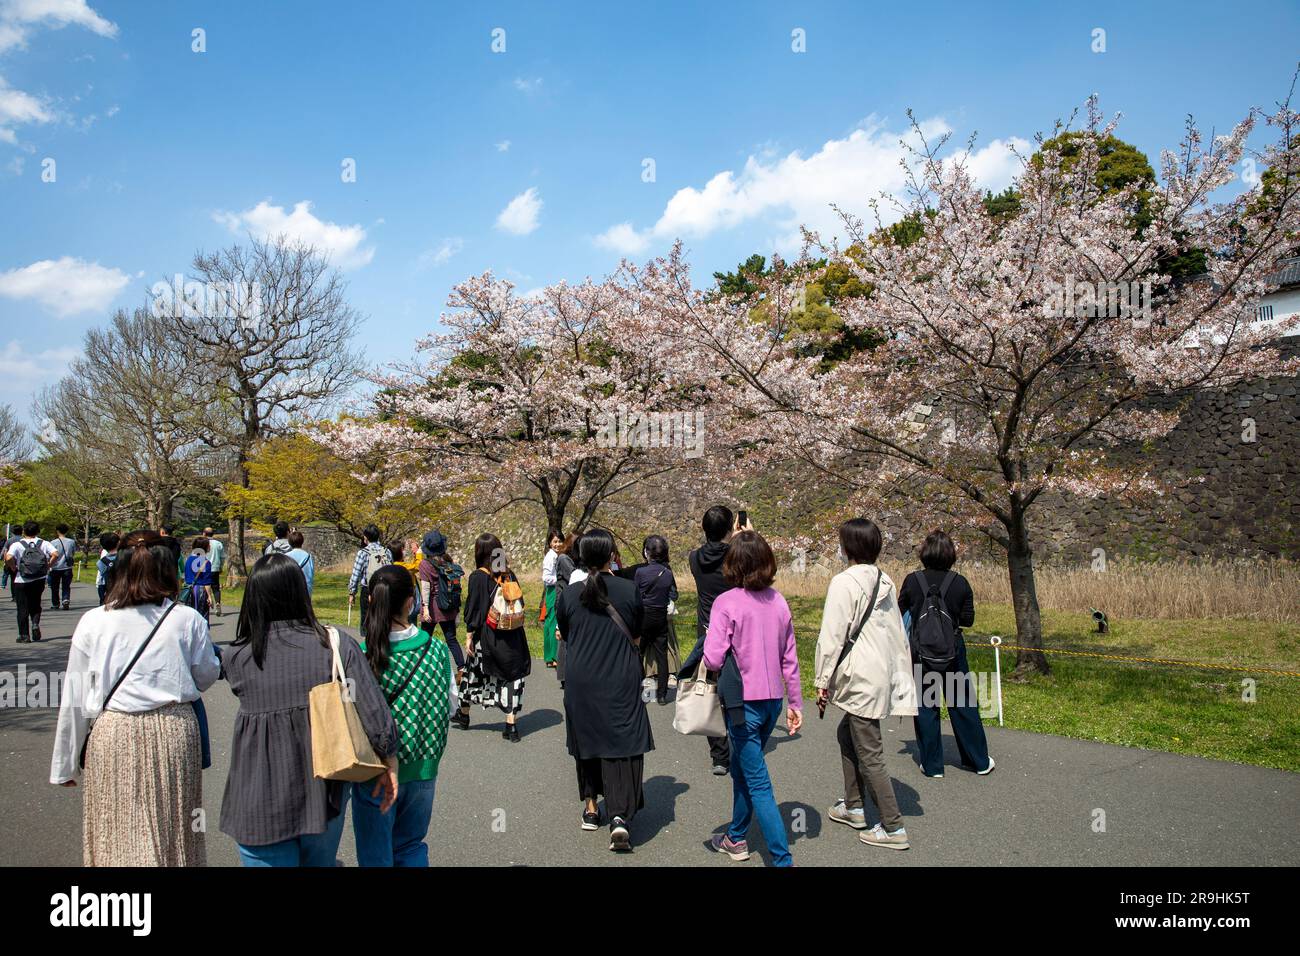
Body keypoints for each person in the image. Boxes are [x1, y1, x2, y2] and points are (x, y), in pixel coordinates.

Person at [50, 530, 220, 865]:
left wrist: (65, 764)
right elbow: (206, 675)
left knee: (117, 828)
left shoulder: (94, 621)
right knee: (173, 828)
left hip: (114, 732)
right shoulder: (187, 619)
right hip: (174, 731)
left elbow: (76, 695)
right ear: (168, 569)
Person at [220, 553, 399, 867]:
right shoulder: (336, 645)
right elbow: (375, 716)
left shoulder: (237, 657)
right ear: (301, 593)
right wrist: (389, 760)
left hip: (257, 798)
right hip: (321, 794)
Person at [814, 518, 918, 851]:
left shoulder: (844, 583)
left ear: (848, 548)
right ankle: (854, 805)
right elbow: (897, 634)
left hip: (861, 677)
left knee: (870, 752)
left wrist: (821, 681)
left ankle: (893, 826)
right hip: (879, 673)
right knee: (847, 733)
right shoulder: (884, 579)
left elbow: (831, 636)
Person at [702, 530, 803, 867]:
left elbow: (713, 659)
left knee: (758, 783)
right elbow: (790, 658)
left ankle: (781, 859)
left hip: (742, 704)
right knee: (745, 771)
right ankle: (736, 837)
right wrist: (796, 704)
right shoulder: (779, 601)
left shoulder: (726, 602)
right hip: (773, 700)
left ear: (733, 564)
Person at [556, 528, 653, 851]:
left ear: (581, 558)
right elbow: (639, 631)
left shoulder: (568, 595)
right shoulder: (629, 590)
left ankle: (591, 807)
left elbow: (567, 633)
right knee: (623, 742)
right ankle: (620, 816)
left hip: (581, 678)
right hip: (620, 676)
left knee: (586, 739)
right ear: (613, 555)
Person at [353, 566, 457, 866]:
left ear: (371, 599)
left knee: (376, 853)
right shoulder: (435, 649)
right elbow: (450, 704)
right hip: (424, 765)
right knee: (411, 846)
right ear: (411, 601)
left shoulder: (363, 654)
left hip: (375, 768)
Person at [898, 529, 994, 779]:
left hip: (922, 652)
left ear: (924, 553)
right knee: (962, 705)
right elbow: (968, 620)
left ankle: (932, 766)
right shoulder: (959, 582)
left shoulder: (912, 580)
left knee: (927, 707)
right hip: (952, 652)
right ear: (951, 555)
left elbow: (900, 613)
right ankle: (979, 761)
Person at [678, 505, 743, 775]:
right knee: (738, 688)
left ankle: (719, 755)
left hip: (706, 631)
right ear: (730, 529)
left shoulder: (695, 558)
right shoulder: (736, 557)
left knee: (710, 688)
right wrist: (743, 538)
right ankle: (741, 746)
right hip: (736, 631)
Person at [460, 533, 530, 741]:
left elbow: (475, 610)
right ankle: (511, 725)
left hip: (488, 637)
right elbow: (521, 603)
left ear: (479, 553)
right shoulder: (509, 575)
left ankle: (464, 715)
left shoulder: (478, 577)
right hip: (513, 636)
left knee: (473, 673)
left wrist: (469, 634)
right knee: (512, 678)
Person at [633, 535, 677, 705]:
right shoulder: (667, 573)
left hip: (644, 616)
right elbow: (673, 594)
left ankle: (640, 689)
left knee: (638, 653)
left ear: (647, 552)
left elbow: (635, 596)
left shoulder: (641, 572)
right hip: (660, 618)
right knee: (662, 656)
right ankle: (662, 694)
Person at [417, 530, 466, 680]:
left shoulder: (425, 564)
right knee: (451, 639)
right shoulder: (447, 561)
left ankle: (421, 668)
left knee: (424, 638)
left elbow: (425, 588)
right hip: (448, 606)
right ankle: (462, 669)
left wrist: (425, 608)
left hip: (432, 606)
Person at [5, 520, 56, 643]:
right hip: (38, 579)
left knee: (22, 607)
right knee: (36, 604)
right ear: (38, 531)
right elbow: (55, 554)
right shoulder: (44, 543)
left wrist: (13, 567)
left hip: (21, 579)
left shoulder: (17, 544)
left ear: (24, 531)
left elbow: (8, 557)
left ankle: (24, 635)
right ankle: (35, 623)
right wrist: (48, 565)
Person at [348, 525, 392, 638]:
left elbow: (356, 574)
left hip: (368, 590)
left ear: (366, 537)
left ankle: (368, 648)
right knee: (382, 619)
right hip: (385, 589)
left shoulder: (363, 553)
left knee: (367, 620)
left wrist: (352, 592)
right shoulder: (387, 551)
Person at [541, 528, 564, 669]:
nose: (557, 544)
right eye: (555, 541)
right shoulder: (551, 557)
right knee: (553, 621)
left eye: (560, 541)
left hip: (554, 589)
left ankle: (550, 657)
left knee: (550, 622)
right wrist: (560, 579)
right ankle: (552, 656)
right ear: (550, 543)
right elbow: (546, 578)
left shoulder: (557, 555)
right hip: (553, 590)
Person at [181, 537, 215, 622]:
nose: (210, 546)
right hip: (199, 591)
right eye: (208, 545)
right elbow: (206, 582)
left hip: (188, 589)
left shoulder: (188, 559)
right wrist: (210, 596)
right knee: (201, 616)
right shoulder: (206, 562)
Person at [48, 524, 76, 611]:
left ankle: (55, 603)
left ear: (57, 531)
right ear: (67, 531)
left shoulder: (53, 542)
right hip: (67, 567)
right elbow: (73, 553)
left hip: (55, 567)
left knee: (54, 587)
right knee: (66, 585)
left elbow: (51, 554)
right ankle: (65, 599)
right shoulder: (71, 542)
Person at [286, 529, 315, 596]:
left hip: (291, 591)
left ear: (289, 542)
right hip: (306, 590)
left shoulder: (286, 556)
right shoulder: (308, 556)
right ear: (302, 541)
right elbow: (311, 574)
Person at [203, 526, 225, 614]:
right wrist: (221, 567)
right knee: (216, 588)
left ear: (204, 533)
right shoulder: (218, 544)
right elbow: (222, 557)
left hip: (204, 568)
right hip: (215, 567)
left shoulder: (202, 543)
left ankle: (206, 604)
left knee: (204, 587)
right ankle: (218, 603)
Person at [95, 531, 120, 606]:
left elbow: (102, 579)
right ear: (119, 543)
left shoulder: (101, 562)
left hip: (109, 591)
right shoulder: (125, 557)